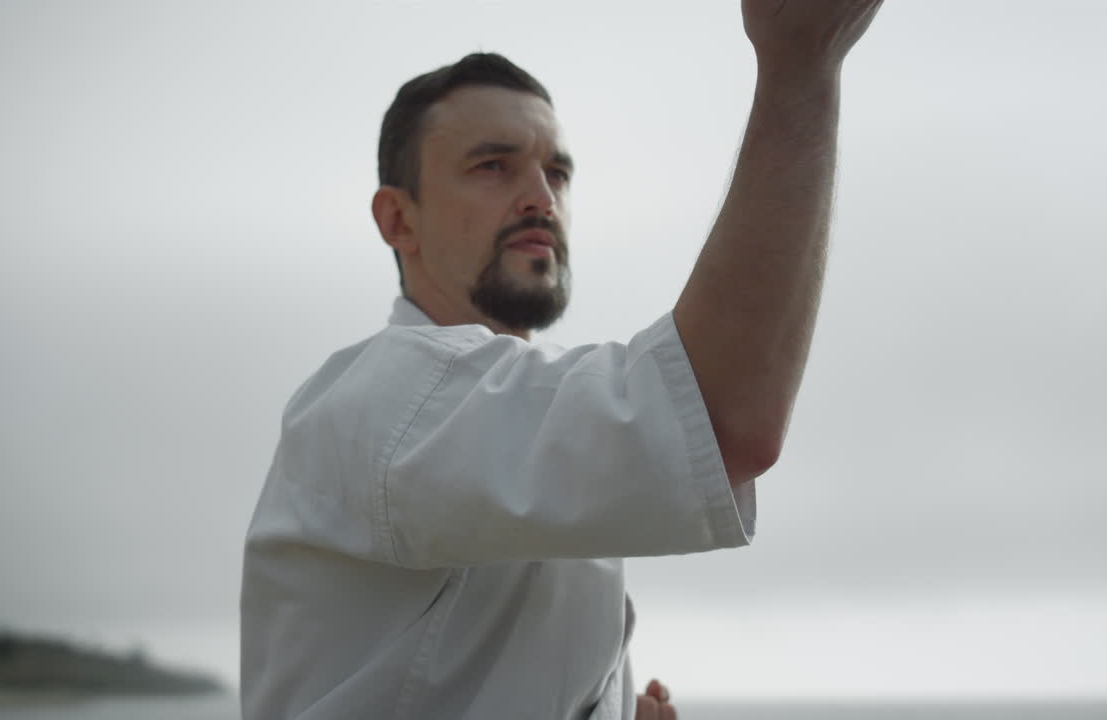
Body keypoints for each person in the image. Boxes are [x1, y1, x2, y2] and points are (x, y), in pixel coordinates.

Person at [240, 2, 883, 718]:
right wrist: (799, 65)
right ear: (399, 219)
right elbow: (723, 415)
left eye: (558, 173)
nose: (541, 198)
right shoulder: (382, 403)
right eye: (493, 166)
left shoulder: (512, 423)